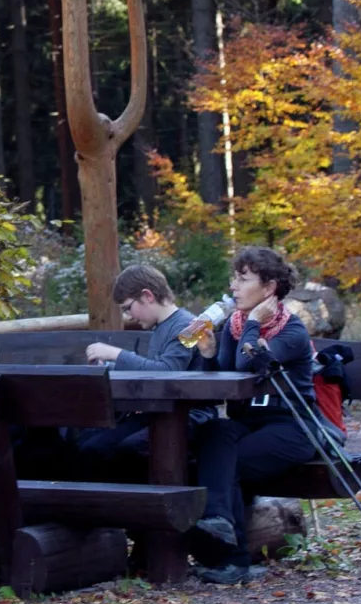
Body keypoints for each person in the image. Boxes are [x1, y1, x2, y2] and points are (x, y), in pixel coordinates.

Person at [189, 246, 316, 585]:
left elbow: (249, 363)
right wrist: (210, 356)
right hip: (249, 424)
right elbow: (223, 385)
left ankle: (234, 559)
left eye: (243, 279)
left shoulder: (291, 332)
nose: (233, 286)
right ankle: (218, 520)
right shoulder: (235, 325)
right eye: (234, 278)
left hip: (292, 428)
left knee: (225, 462)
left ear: (269, 288)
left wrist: (255, 323)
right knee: (213, 433)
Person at [74, 264, 204, 481]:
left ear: (147, 296)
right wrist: (108, 368)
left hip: (185, 416)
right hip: (156, 412)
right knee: (85, 439)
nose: (129, 316)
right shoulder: (161, 326)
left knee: (109, 449)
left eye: (127, 308)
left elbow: (168, 373)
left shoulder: (192, 326)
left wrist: (117, 354)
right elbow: (151, 368)